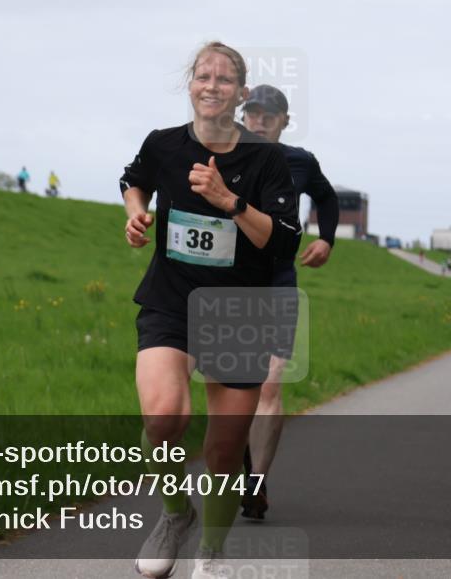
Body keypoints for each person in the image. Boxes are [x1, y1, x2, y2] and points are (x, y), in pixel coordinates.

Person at [120, 42, 302, 579]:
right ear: (191, 84)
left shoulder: (265, 159)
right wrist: (136, 214)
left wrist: (230, 202)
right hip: (171, 300)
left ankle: (212, 554)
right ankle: (175, 516)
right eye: (204, 76)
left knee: (224, 451)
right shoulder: (164, 144)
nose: (212, 86)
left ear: (240, 94)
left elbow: (284, 240)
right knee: (162, 417)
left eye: (225, 80)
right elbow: (134, 179)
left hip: (239, 309)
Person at [238, 84, 339, 521]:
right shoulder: (222, 154)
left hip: (278, 282)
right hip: (229, 286)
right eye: (252, 113)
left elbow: (328, 198)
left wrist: (327, 240)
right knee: (232, 389)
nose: (258, 120)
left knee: (269, 384)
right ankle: (241, 469)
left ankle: (257, 480)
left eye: (268, 115)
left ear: (284, 120)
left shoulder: (300, 160)